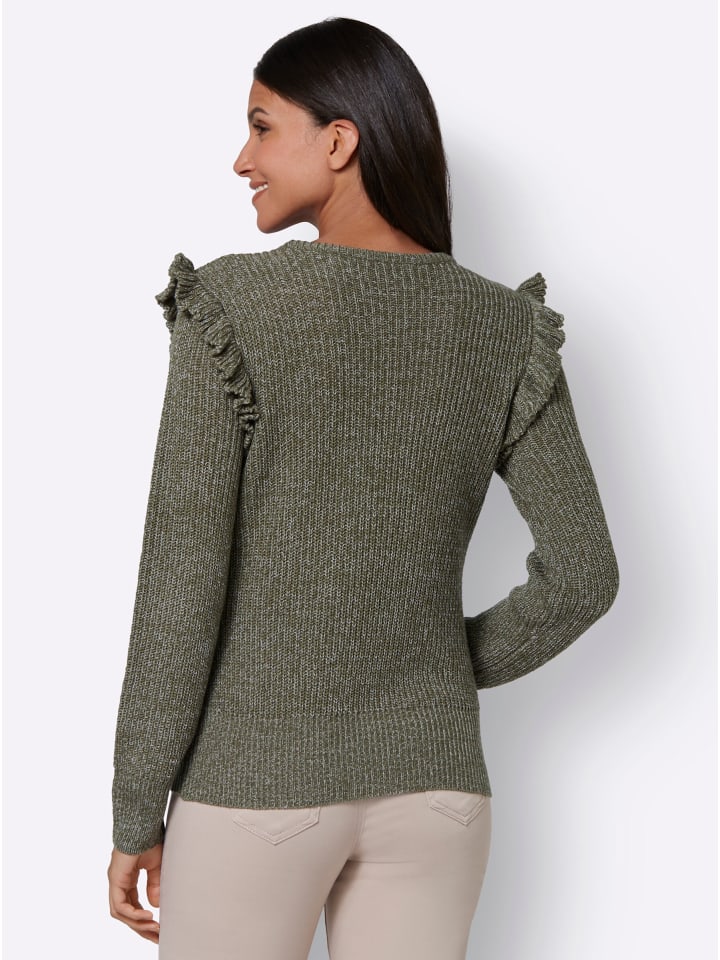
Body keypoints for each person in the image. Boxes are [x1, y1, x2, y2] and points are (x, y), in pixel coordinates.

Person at [107, 17, 619, 960]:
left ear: (338, 140)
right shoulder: (502, 328)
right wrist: (426, 668)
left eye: (262, 127)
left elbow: (181, 584)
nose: (241, 159)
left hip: (256, 785)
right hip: (439, 797)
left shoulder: (234, 307)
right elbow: (584, 574)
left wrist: (136, 808)